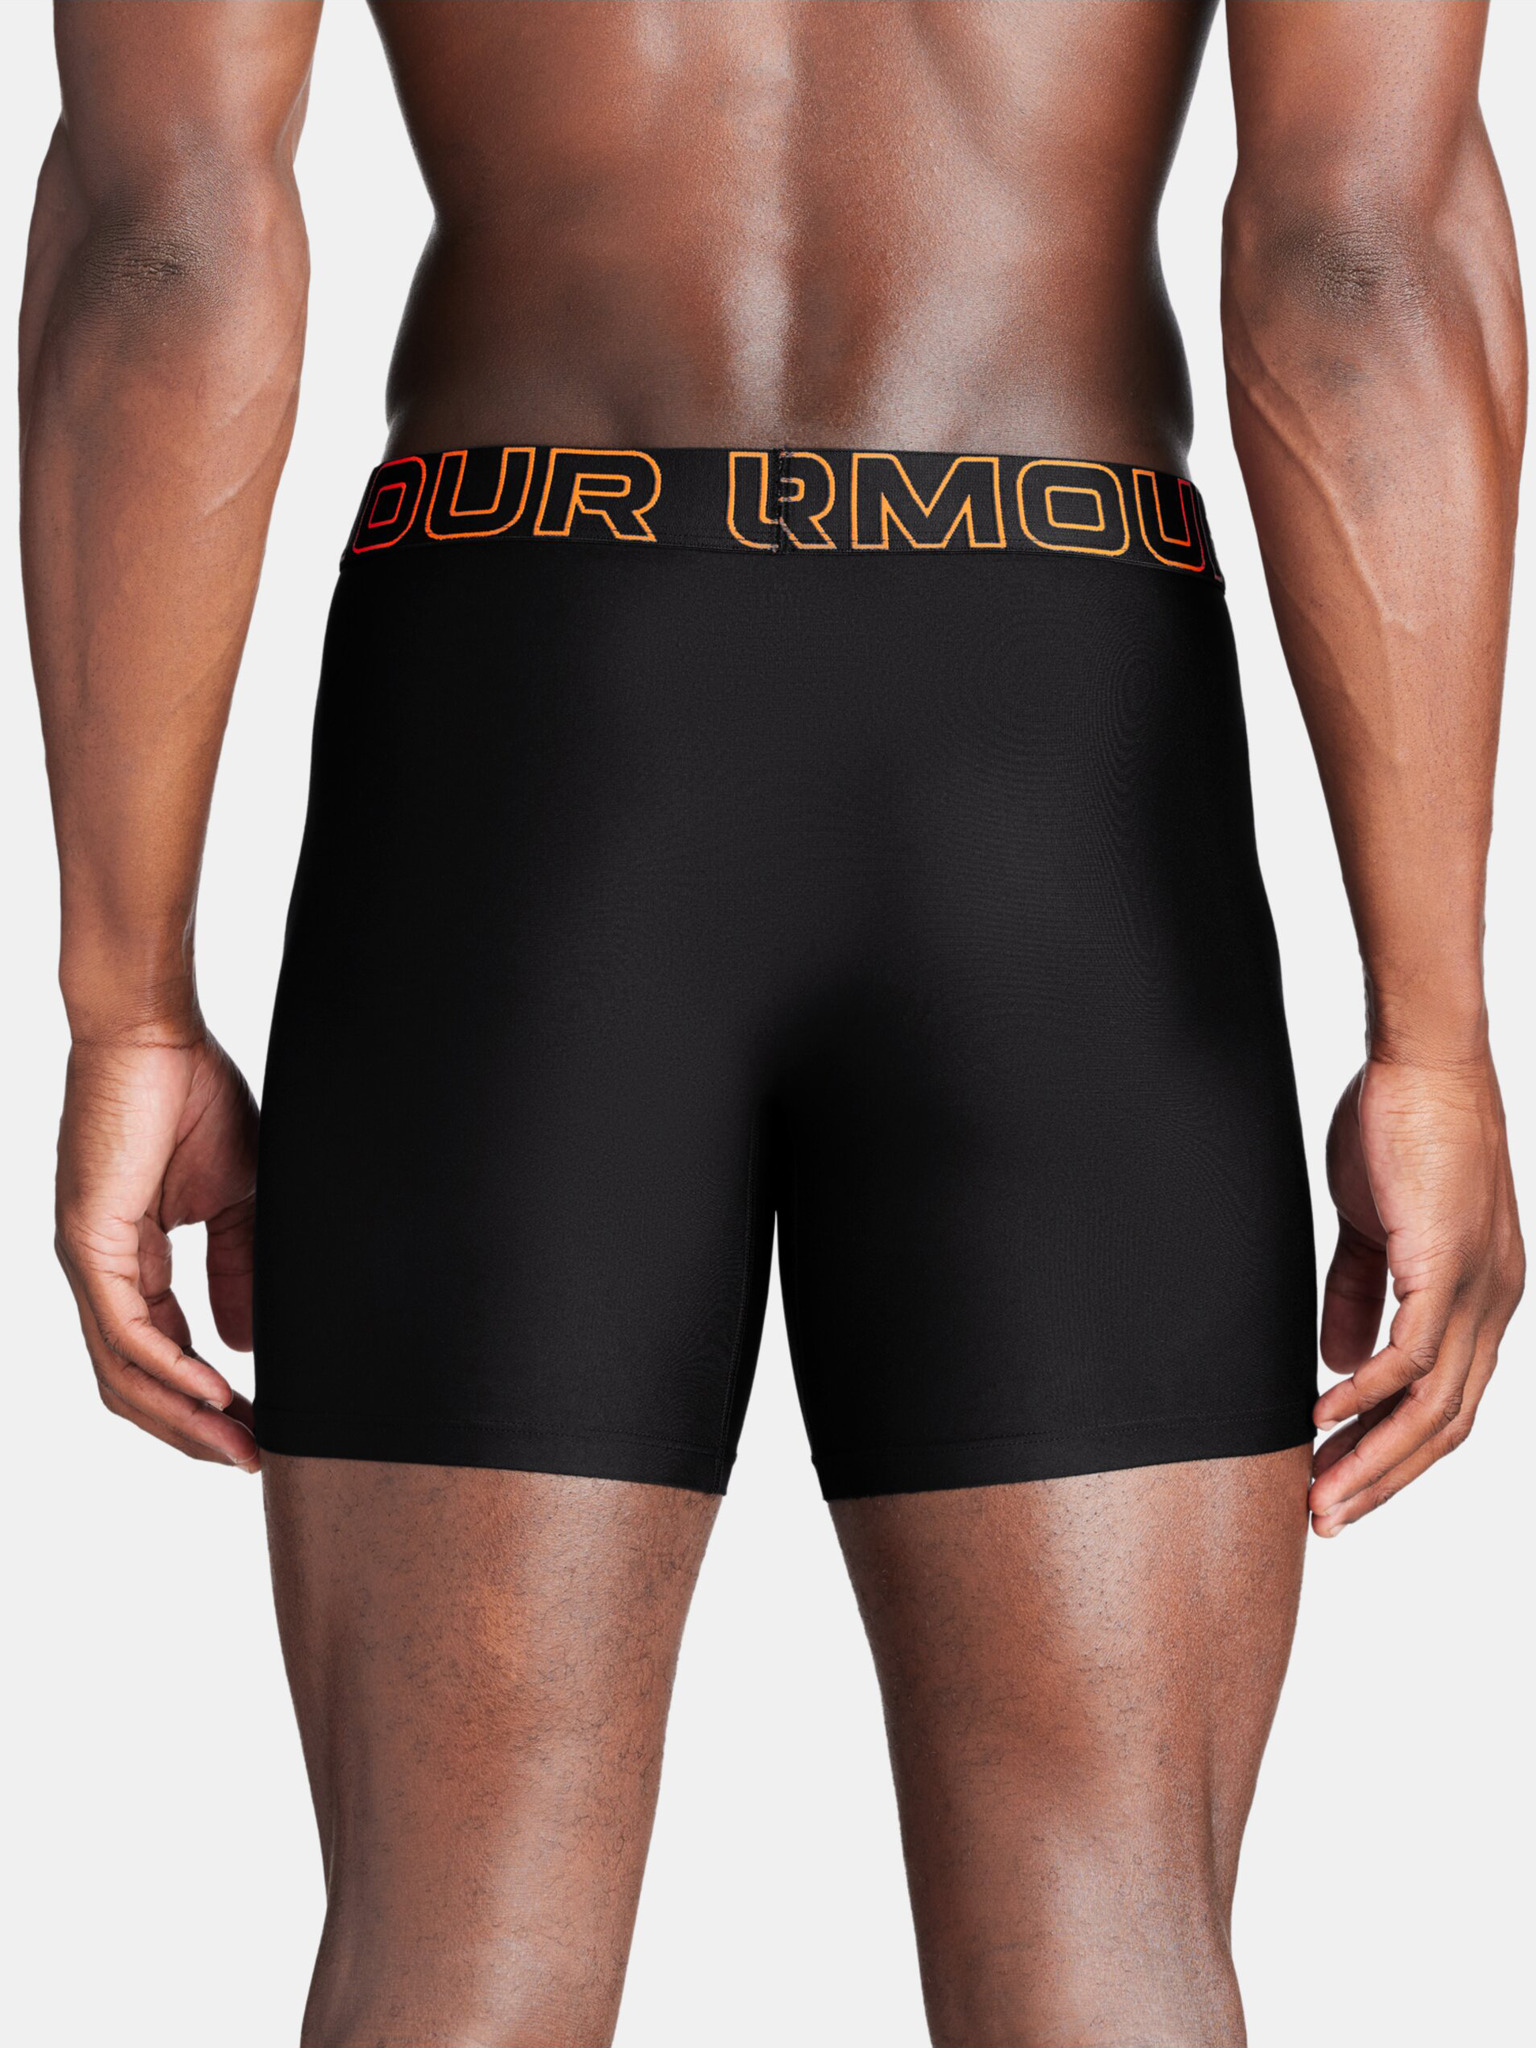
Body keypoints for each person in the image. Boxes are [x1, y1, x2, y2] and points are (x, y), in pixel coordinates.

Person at [21, 3, 1525, 2043]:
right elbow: (1359, 260)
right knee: (1113, 1955)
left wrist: (127, 1000)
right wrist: (1432, 1035)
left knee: (451, 1973)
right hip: (1051, 720)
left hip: (533, 719)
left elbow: (168, 240)